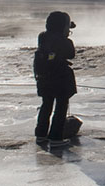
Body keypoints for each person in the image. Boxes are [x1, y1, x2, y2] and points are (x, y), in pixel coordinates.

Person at [34, 11, 77, 149]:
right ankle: (56, 137)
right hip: (59, 77)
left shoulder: (43, 37)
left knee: (46, 105)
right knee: (61, 106)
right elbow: (71, 54)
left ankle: (40, 134)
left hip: (44, 77)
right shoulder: (65, 41)